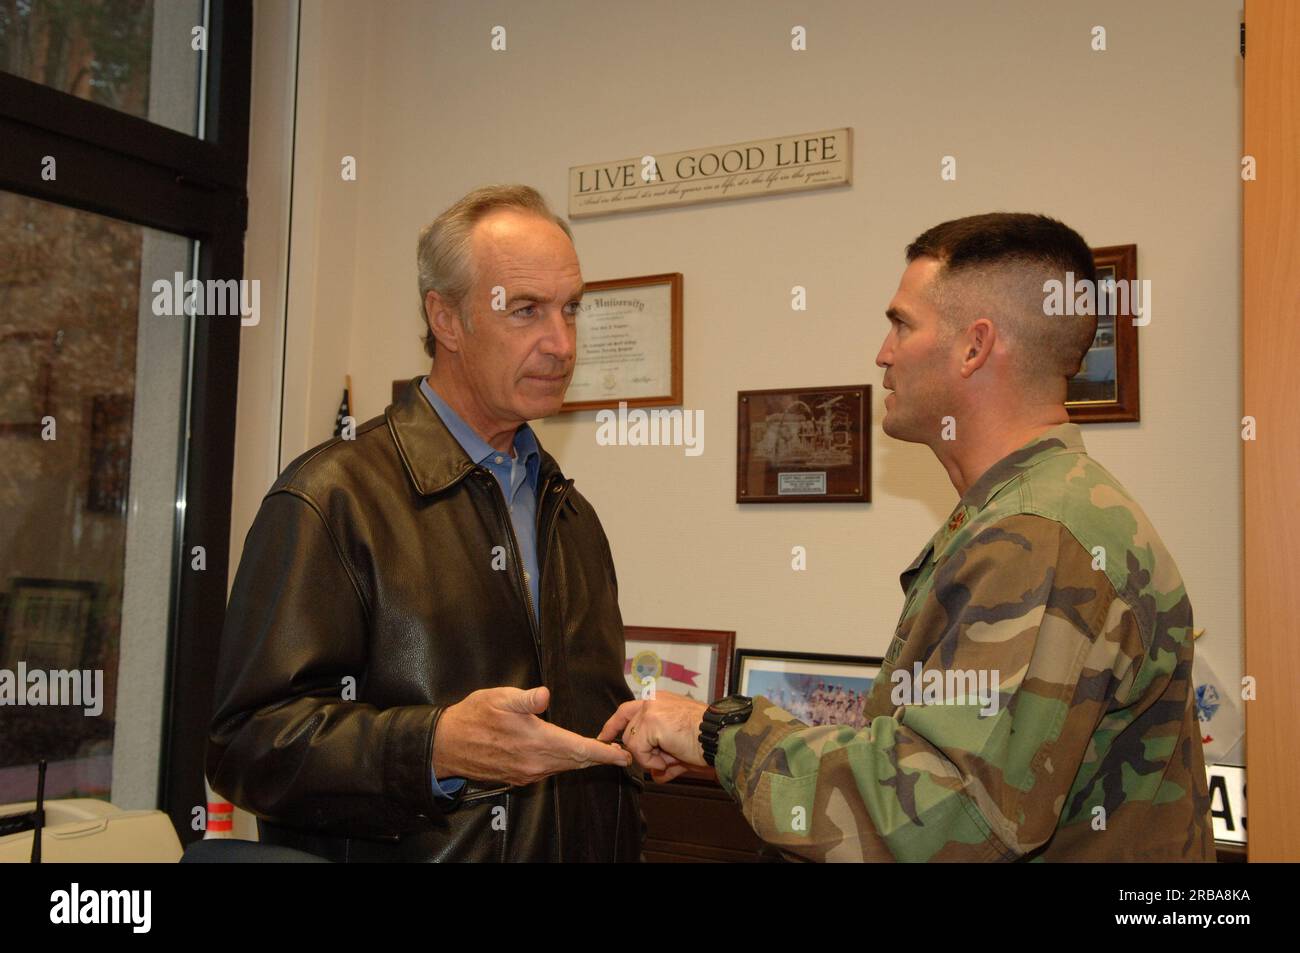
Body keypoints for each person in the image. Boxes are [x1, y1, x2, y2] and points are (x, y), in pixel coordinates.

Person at [601, 213, 1215, 862]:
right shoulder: (1033, 509)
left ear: (974, 347)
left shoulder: (1038, 535)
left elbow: (950, 815)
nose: (883, 352)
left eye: (902, 323)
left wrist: (720, 731)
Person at [207, 185, 643, 862]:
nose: (562, 344)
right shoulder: (333, 497)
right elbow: (246, 746)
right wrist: (432, 746)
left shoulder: (571, 514)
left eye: (571, 310)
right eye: (526, 310)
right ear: (446, 319)